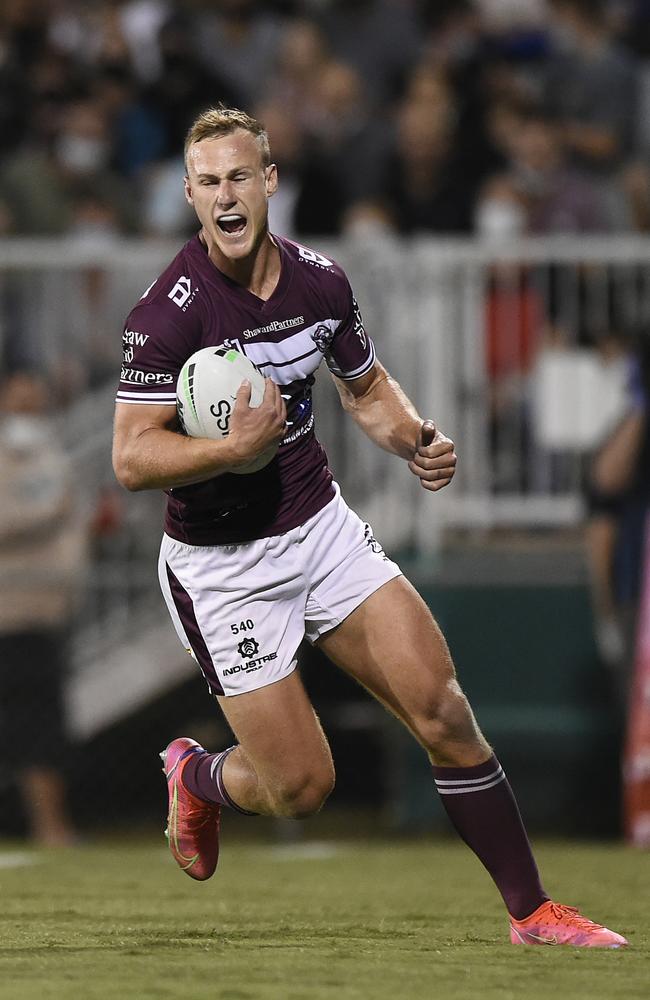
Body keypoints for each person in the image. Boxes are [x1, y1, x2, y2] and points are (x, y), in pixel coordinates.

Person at [112, 105, 627, 948]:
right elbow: (132, 459)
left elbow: (366, 387)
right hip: (220, 568)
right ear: (190, 196)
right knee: (301, 787)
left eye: (240, 176)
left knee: (443, 708)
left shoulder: (321, 281)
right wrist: (230, 448)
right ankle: (197, 775)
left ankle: (533, 913)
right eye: (208, 183)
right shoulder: (166, 315)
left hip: (318, 527)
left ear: (270, 182)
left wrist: (416, 438)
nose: (226, 196)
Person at [0, 371, 85, 845]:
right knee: (30, 719)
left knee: (42, 718)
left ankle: (50, 825)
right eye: (20, 406)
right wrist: (50, 510)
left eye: (35, 406)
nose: (28, 416)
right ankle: (50, 827)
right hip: (10, 609)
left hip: (50, 608)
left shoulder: (52, 454)